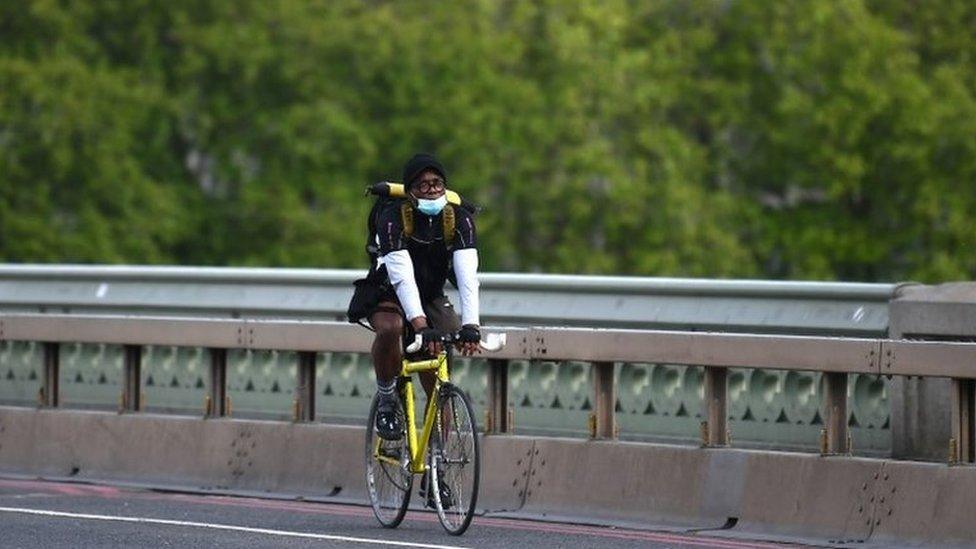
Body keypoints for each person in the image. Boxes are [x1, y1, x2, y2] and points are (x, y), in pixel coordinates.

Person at [351, 152, 482, 442]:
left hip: (431, 294)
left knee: (440, 373)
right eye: (423, 185)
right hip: (390, 291)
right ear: (410, 191)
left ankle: (437, 469)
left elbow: (467, 276)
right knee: (391, 328)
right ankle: (387, 398)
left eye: (438, 183)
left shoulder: (459, 219)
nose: (432, 190)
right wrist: (421, 326)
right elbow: (401, 277)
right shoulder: (392, 218)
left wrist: (471, 325)